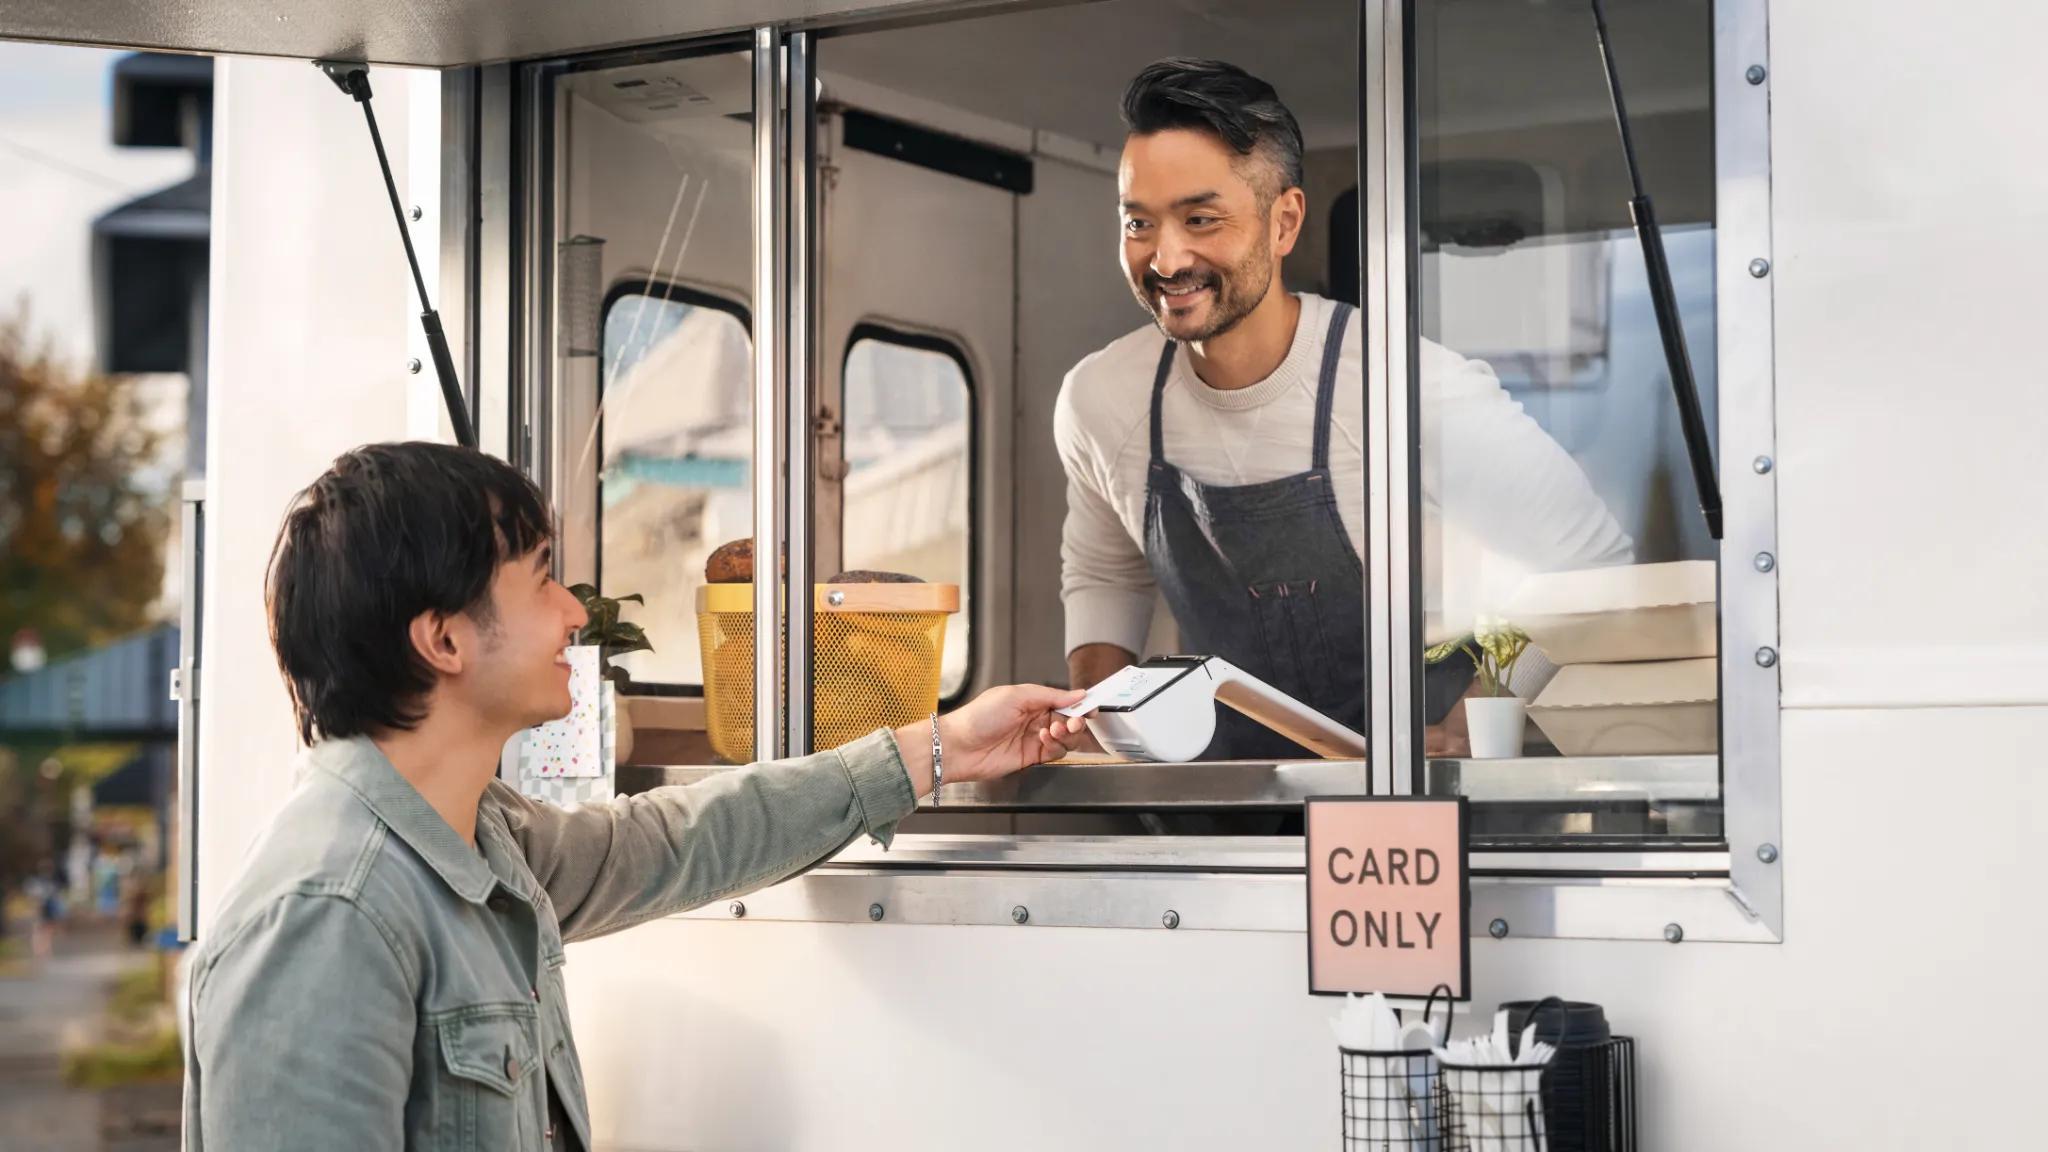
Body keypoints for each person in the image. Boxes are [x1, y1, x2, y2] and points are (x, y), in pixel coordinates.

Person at [181, 442, 1091, 1151]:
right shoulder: (327, 917)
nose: (575, 613)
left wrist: (938, 746)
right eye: (540, 579)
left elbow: (673, 843)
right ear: (445, 642)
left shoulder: (477, 838)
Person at [1056, 58, 1633, 760]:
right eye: (1139, 222)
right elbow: (1106, 574)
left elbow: (1592, 563)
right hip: (1237, 800)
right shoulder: (1101, 399)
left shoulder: (1402, 384)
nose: (1166, 257)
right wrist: (1106, 727)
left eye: (1201, 219)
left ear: (1284, 222)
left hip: (1416, 809)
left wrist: (1476, 719)